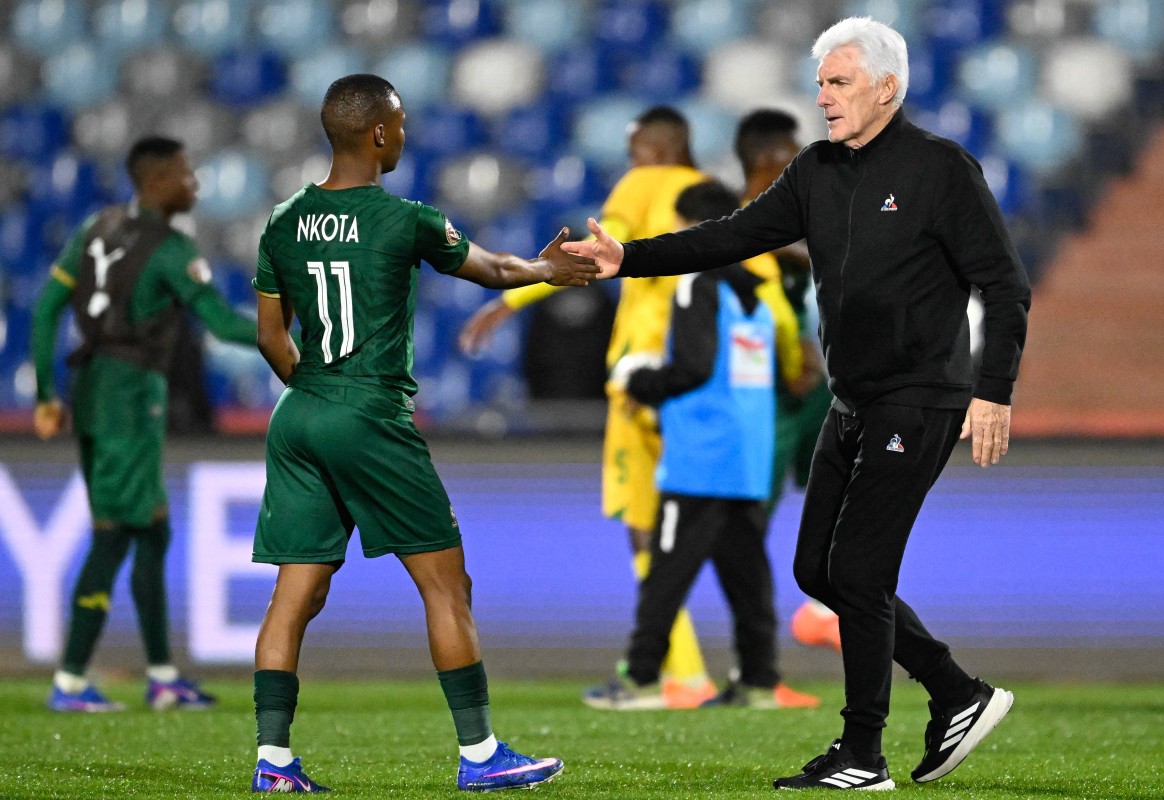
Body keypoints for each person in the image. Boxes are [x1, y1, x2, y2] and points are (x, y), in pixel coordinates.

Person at [564, 16, 1031, 791]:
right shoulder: (817, 170)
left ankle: (863, 754)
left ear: (887, 88)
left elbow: (1005, 287)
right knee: (818, 569)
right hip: (853, 402)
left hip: (920, 399)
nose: (823, 97)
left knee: (859, 571)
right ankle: (956, 691)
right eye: (820, 83)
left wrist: (995, 392)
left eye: (839, 82)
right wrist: (627, 259)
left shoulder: (940, 168)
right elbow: (730, 236)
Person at [248, 74, 592, 793]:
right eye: (400, 124)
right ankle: (481, 755)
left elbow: (271, 337)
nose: (404, 134)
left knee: (294, 595)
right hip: (368, 412)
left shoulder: (283, 219)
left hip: (300, 412)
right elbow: (492, 269)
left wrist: (318, 394)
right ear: (379, 134)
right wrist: (546, 269)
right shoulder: (405, 219)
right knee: (446, 584)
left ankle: (272, 762)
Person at [458, 106, 718, 708]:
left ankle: (677, 672)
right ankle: (720, 668)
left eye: (635, 151)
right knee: (702, 525)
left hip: (642, 376)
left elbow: (596, 250)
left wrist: (510, 299)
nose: (630, 163)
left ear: (657, 149)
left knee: (644, 525)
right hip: (702, 375)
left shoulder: (643, 184)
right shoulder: (714, 200)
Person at [31, 136, 258, 712]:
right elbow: (221, 324)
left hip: (91, 388)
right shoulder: (171, 249)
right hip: (129, 399)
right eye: (185, 173)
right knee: (113, 535)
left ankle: (162, 676)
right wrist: (293, 335)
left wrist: (46, 394)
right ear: (157, 182)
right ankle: (70, 682)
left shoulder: (96, 227)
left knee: (152, 532)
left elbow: (47, 309)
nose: (194, 184)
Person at [584, 181, 818, 711]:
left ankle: (641, 678)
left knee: (666, 572)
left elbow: (693, 367)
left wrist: (639, 378)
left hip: (701, 455)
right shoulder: (757, 293)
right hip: (746, 456)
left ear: (694, 228)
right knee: (747, 576)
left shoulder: (695, 284)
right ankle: (758, 680)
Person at [734, 109, 842, 654]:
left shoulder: (798, 217)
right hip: (766, 391)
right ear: (762, 162)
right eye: (788, 157)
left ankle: (825, 609)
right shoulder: (733, 227)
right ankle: (752, 653)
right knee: (752, 514)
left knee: (848, 482)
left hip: (815, 381)